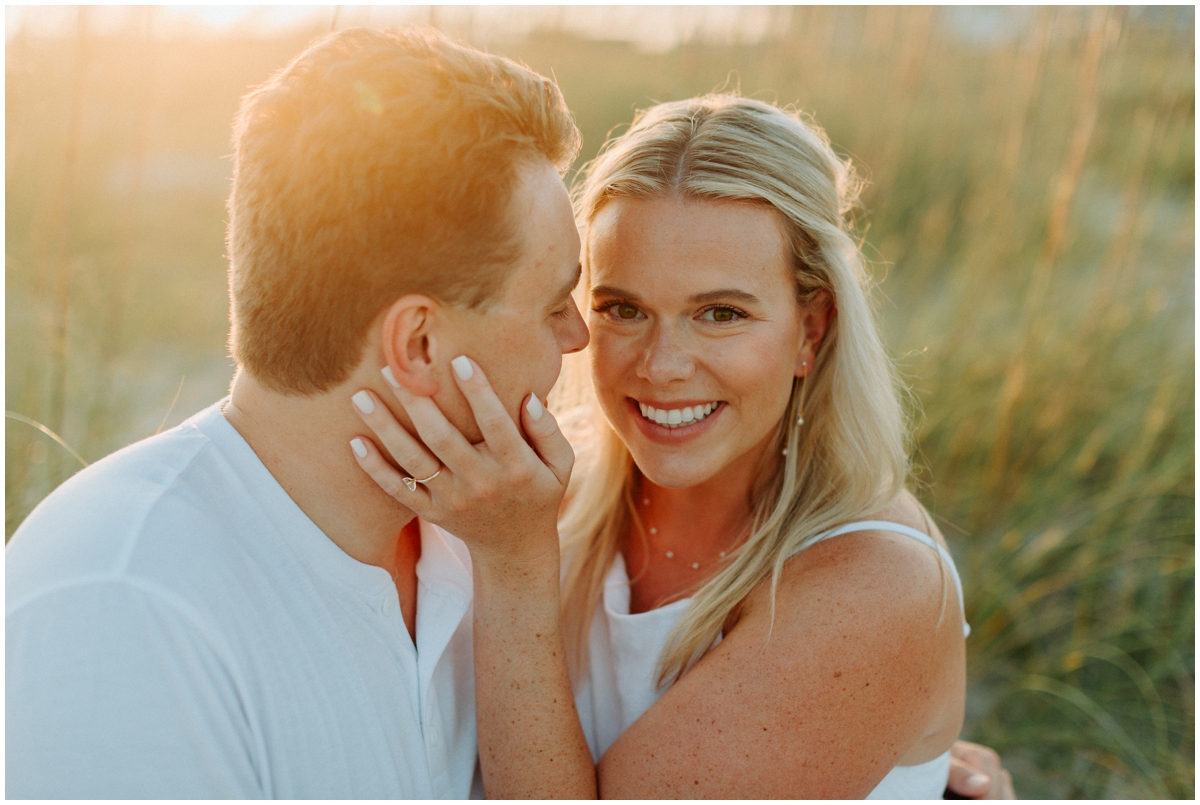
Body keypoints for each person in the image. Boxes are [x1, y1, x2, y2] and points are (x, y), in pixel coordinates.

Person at [6, 25, 1010, 799]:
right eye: (601, 305)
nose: (631, 357)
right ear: (422, 344)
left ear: (811, 330)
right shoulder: (511, 514)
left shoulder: (503, 540)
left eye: (722, 312)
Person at [351, 94, 1004, 797]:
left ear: (811, 331)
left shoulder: (876, 586)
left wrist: (514, 570)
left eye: (720, 313)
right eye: (623, 308)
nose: (662, 365)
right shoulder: (532, 491)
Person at [5, 26, 587, 798]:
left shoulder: (483, 532)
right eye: (553, 305)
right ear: (417, 344)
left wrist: (516, 566)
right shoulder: (123, 607)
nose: (579, 336)